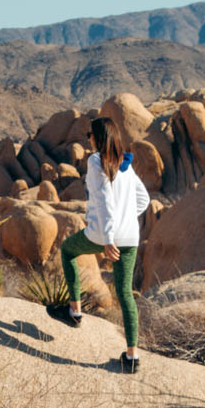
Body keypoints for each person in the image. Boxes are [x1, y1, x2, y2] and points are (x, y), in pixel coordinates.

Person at [50, 115, 150, 371]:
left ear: (98, 138)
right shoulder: (126, 164)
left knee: (68, 250)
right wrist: (126, 219)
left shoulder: (96, 162)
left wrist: (107, 238)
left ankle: (75, 312)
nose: (88, 140)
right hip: (130, 236)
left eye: (90, 136)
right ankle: (132, 357)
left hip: (104, 234)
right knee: (125, 293)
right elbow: (144, 200)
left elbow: (105, 200)